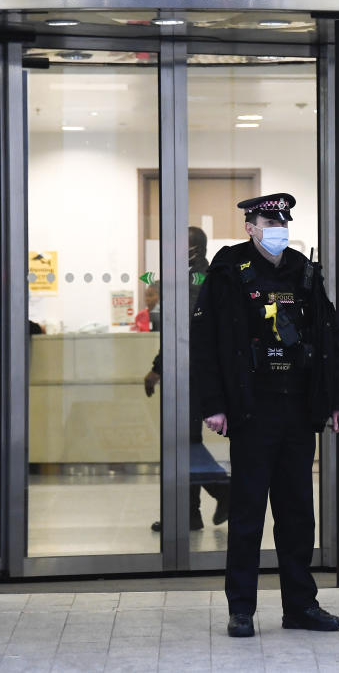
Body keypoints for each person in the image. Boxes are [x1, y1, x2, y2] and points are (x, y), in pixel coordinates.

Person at [191, 193, 339, 638]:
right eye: (269, 220)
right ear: (250, 226)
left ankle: (300, 605)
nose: (277, 227)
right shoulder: (227, 272)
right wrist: (214, 405)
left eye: (283, 220)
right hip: (251, 410)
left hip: (299, 409)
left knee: (298, 513)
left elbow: (329, 335)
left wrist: (337, 399)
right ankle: (241, 608)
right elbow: (206, 345)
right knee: (246, 515)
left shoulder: (302, 269)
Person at [146, 226, 230, 532]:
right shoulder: (200, 276)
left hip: (191, 371)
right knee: (186, 441)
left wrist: (158, 367)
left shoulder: (194, 281)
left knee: (184, 441)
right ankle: (190, 514)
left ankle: (222, 490)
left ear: (193, 249)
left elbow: (182, 329)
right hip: (195, 370)